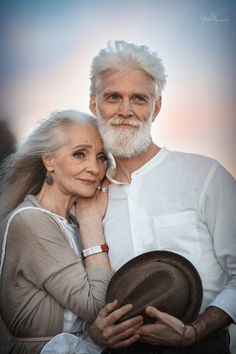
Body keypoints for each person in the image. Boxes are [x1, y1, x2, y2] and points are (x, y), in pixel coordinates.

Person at [85, 41, 236, 353]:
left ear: (156, 107)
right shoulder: (87, 198)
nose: (125, 110)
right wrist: (94, 332)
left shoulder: (205, 175)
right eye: (113, 97)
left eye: (139, 98)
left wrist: (195, 332)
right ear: (93, 105)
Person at [0, 110, 142, 354]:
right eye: (80, 154)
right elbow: (97, 307)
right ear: (49, 160)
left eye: (100, 157)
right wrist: (90, 222)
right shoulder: (30, 222)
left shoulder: (69, 223)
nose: (94, 168)